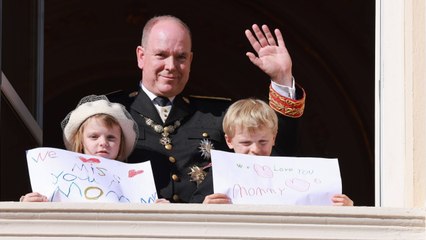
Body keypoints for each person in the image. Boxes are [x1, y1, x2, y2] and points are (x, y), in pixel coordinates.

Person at [110, 15, 306, 203]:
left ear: (190, 60)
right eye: (161, 55)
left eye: (181, 57)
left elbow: (275, 153)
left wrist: (282, 77)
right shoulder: (109, 111)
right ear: (141, 56)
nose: (171, 66)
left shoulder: (219, 114)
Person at [200, 98, 353, 206]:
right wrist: (203, 207)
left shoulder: (292, 171)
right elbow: (189, 219)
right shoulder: (218, 175)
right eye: (246, 142)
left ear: (273, 138)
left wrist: (346, 210)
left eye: (263, 142)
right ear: (229, 141)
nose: (255, 150)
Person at [19, 95, 168, 202]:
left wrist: (155, 208)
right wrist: (29, 205)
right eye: (94, 137)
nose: (103, 143)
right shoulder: (58, 174)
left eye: (111, 138)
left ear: (120, 144)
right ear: (80, 141)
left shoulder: (135, 182)